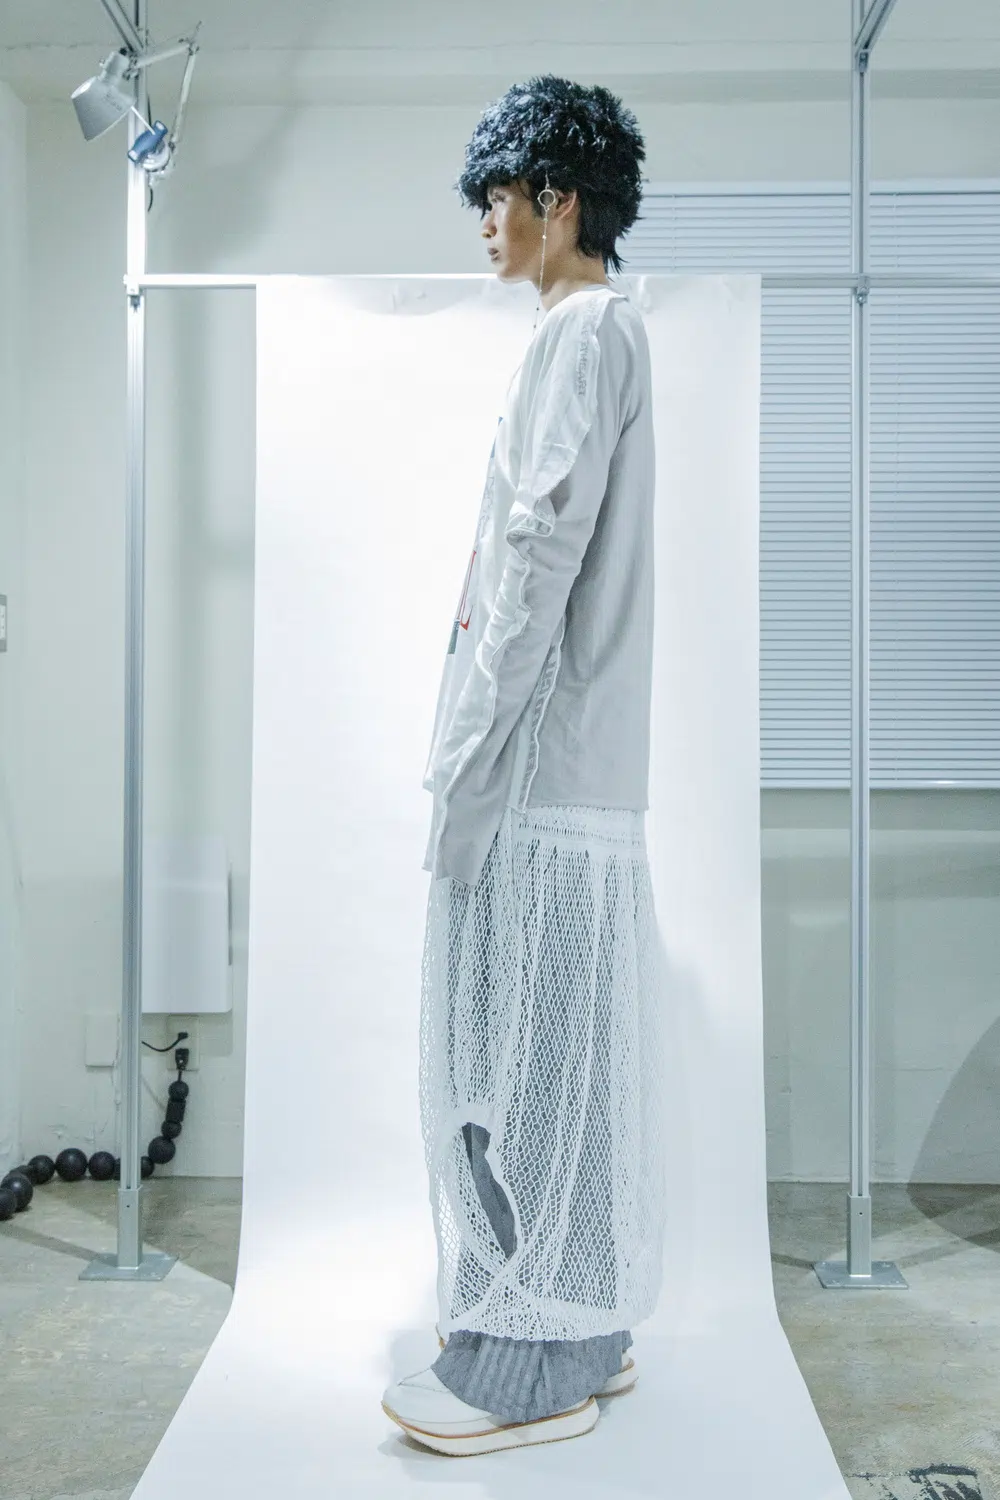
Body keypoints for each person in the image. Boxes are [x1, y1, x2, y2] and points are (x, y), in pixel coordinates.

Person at [381, 73, 669, 1458]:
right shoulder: (612, 333)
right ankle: (580, 1332)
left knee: (514, 1070)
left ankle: (528, 1367)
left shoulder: (582, 333)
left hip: (537, 776)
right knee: (558, 1069)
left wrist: (464, 757)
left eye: (498, 198)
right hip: (571, 773)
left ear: (557, 200)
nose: (486, 225)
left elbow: (536, 552)